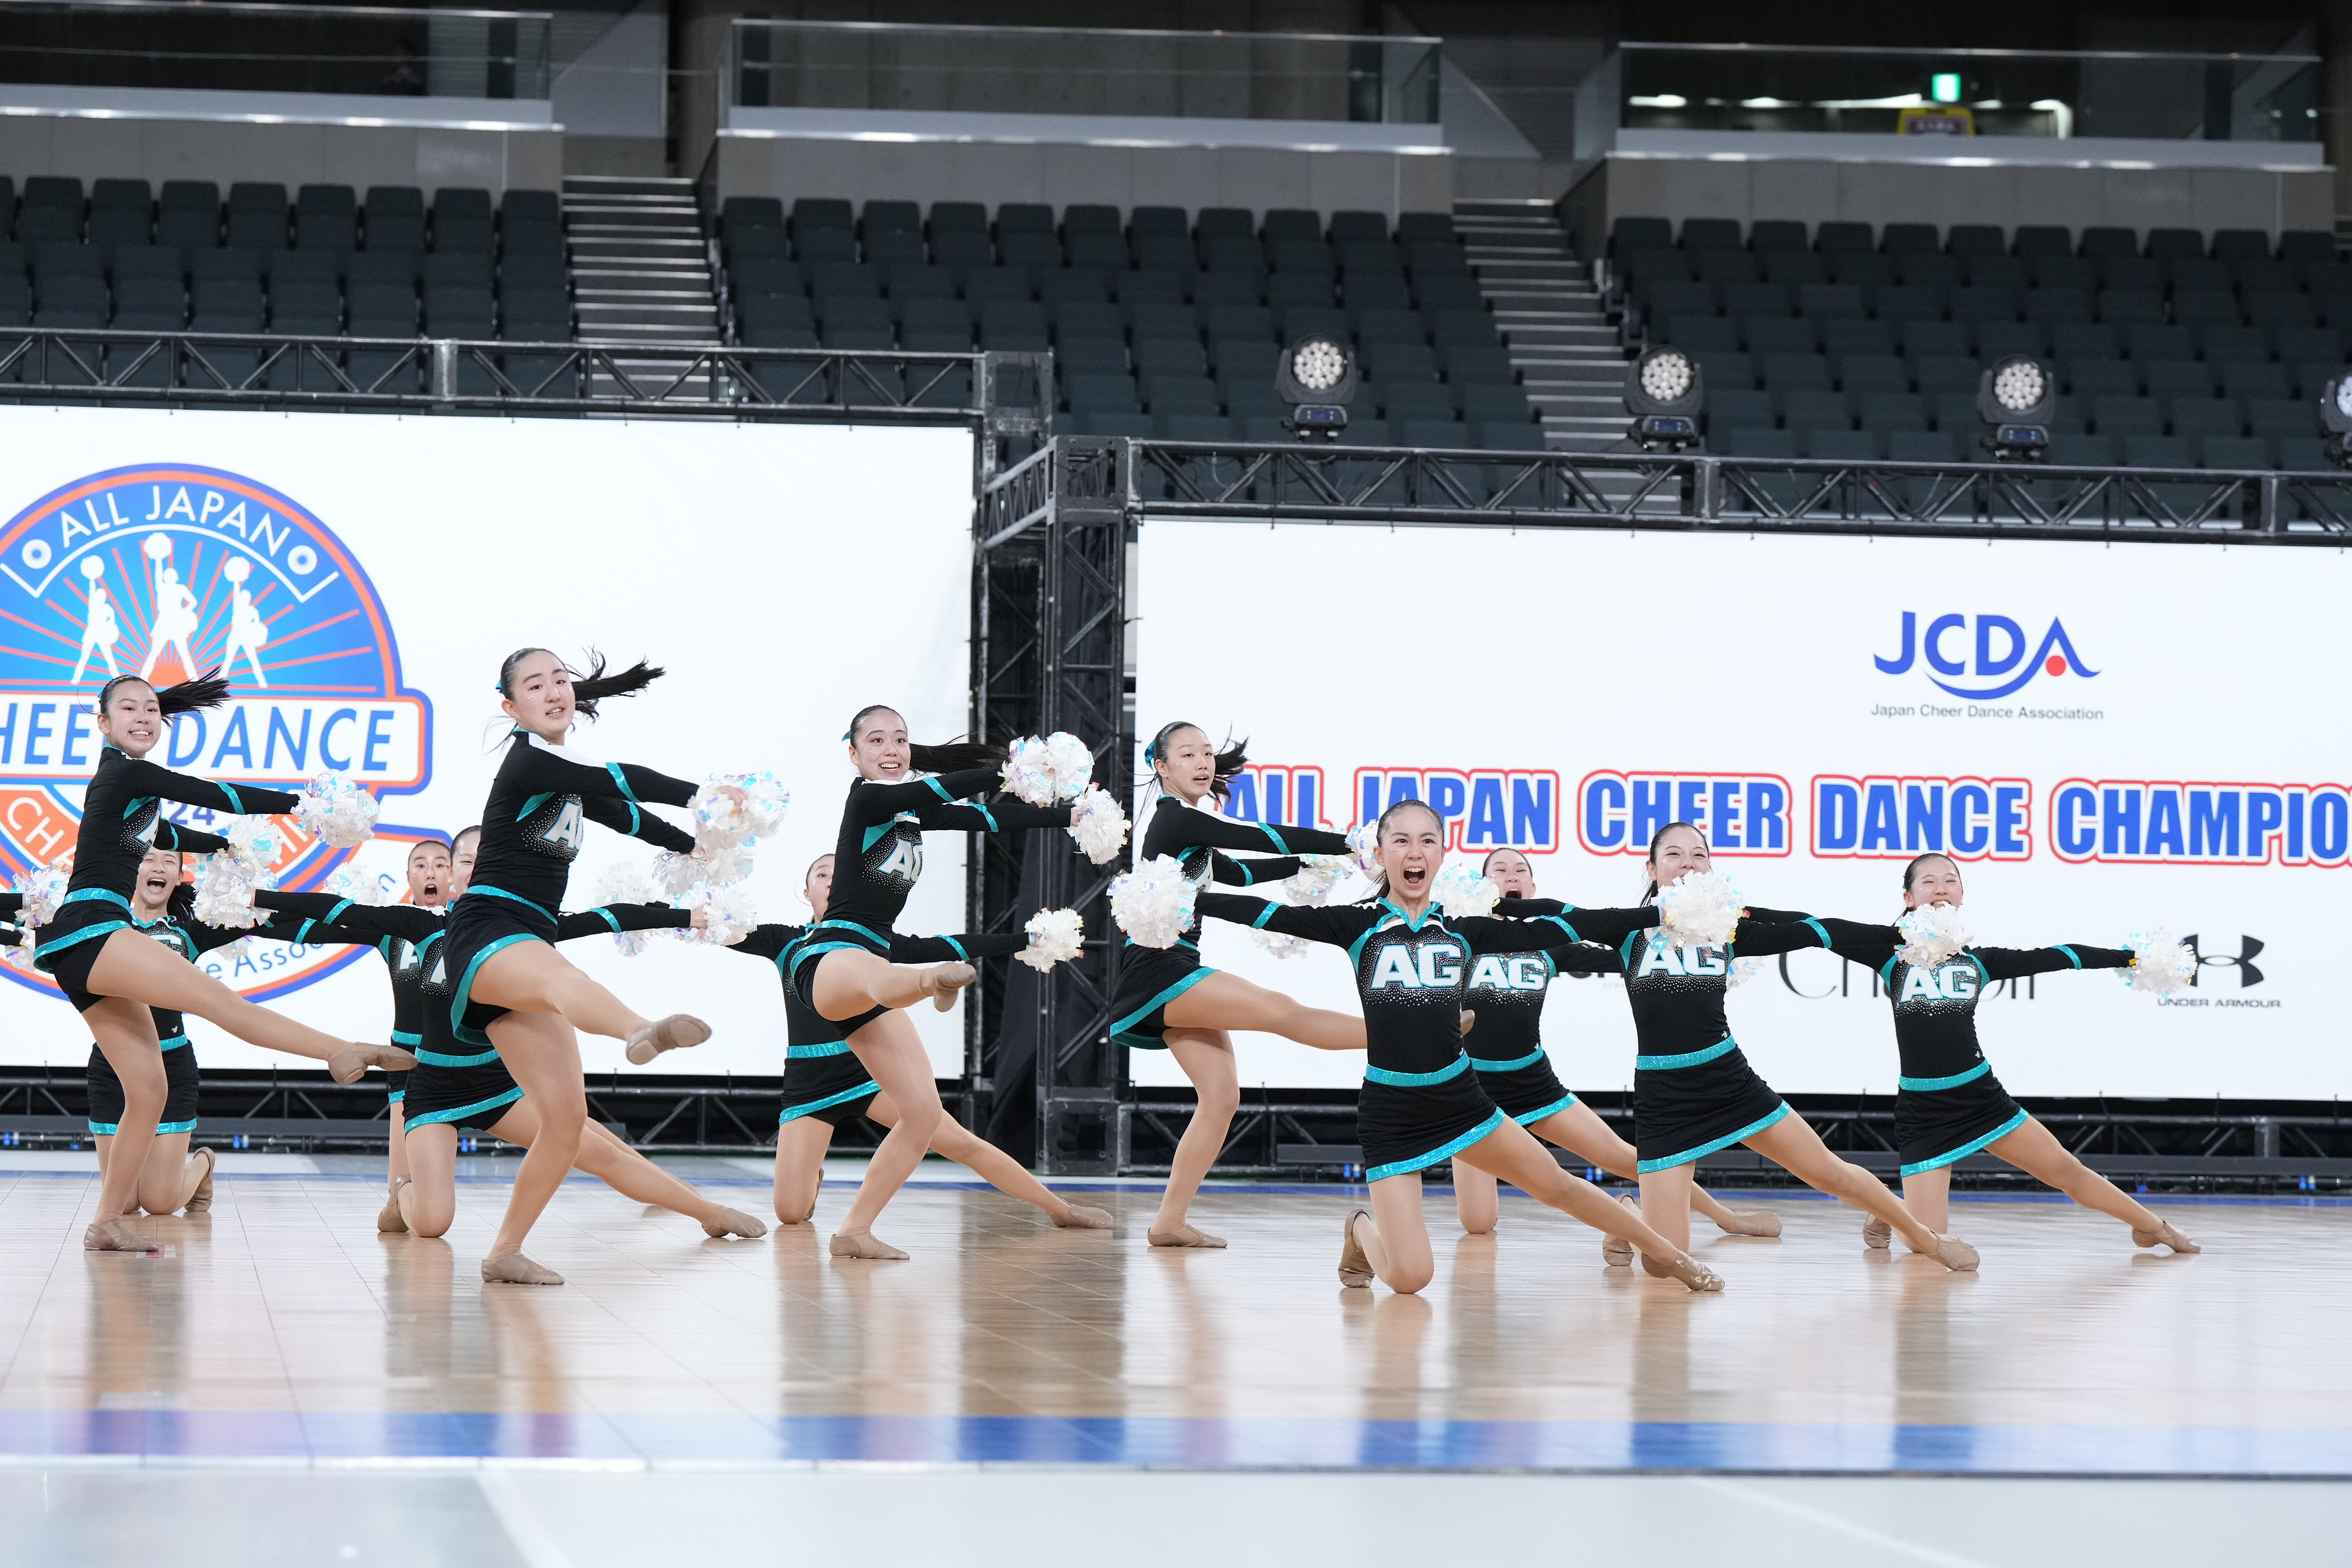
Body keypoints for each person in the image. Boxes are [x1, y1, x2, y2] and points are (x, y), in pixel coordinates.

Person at [1195, 799, 1725, 1295]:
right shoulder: (1356, 925)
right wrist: (1188, 898)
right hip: (1392, 1111)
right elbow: (1265, 914)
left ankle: (1671, 1255)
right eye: (1401, 840)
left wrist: (1663, 916)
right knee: (1411, 1278)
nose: (1415, 851)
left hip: (1461, 1099)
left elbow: (1577, 925)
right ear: (1381, 854)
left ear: (1442, 854)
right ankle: (1361, 1228)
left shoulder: (1463, 931)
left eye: (1428, 840)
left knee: (1557, 1185)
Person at [42, 673, 411, 1252]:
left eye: (152, 709)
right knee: (222, 1004)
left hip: (80, 946)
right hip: (94, 931)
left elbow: (172, 833)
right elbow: (215, 795)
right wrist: (301, 806)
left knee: (149, 1090)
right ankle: (337, 1050)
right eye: (129, 708)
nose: (144, 717)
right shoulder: (125, 773)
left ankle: (106, 1222)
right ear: (104, 723)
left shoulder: (127, 792)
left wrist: (227, 848)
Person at [1515, 822, 1980, 1273]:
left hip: (1730, 1081)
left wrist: (1898, 935)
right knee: (1662, 1262)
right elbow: (1563, 913)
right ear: (1652, 869)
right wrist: (1500, 906)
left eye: (1699, 854)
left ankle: (1925, 1237)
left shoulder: (1727, 931)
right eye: (1674, 854)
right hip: (1664, 1098)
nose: (1688, 862)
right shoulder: (1630, 932)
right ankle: (1631, 1213)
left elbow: (1817, 931)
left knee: (1828, 1171)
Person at [439, 648, 730, 1284]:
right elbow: (623, 779)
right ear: (512, 707)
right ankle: (638, 1028)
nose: (554, 692)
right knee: (563, 980)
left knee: (567, 1123)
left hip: (526, 938)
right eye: (535, 685)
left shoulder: (566, 779)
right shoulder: (528, 760)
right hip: (489, 928)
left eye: (560, 680)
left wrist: (694, 846)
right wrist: (702, 797)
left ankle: (504, 1252)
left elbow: (626, 813)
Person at [298, 887, 766, 1258]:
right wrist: (261, 901)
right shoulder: (421, 926)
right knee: (433, 1224)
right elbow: (335, 912)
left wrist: (685, 916)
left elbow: (606, 918)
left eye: (476, 863)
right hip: (434, 1092)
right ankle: (404, 1192)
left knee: (598, 1151)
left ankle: (709, 1212)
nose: (466, 873)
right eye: (461, 863)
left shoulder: (523, 930)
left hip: (496, 1088)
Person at [788, 705, 1083, 1260]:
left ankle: (855, 1231)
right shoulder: (867, 799)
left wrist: (1069, 817)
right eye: (877, 741)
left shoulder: (908, 814)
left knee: (923, 1116)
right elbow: (938, 790)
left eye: (900, 739)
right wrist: (1012, 770)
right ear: (854, 754)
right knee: (880, 974)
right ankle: (931, 983)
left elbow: (988, 820)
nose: (892, 749)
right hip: (831, 959)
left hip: (874, 966)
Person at [1823, 853, 2199, 1255]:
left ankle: (2153, 1227)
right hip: (1923, 1111)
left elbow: (2061, 956)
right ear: (1909, 897)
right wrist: (1766, 923)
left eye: (1950, 881)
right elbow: (1818, 929)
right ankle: (1888, 1206)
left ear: (1962, 895)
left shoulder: (1979, 962)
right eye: (1928, 882)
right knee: (1926, 1244)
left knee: (2066, 1171)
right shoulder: (1889, 956)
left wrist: (2131, 959)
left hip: (1981, 1099)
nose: (1940, 889)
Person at [745, 854, 1112, 1233]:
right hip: (809, 1084)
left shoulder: (873, 941)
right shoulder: (785, 941)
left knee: (959, 1143)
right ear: (807, 892)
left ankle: (1059, 1208)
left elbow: (952, 945)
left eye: (840, 874)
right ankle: (810, 1173)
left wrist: (1029, 939)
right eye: (822, 874)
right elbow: (728, 929)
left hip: (871, 1074)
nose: (831, 880)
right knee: (790, 1213)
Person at [5, 846, 376, 1219]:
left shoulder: (191, 929)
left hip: (172, 1065)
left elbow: (272, 920)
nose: (159, 867)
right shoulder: (97, 929)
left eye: (170, 862)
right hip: (114, 1067)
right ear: (130, 871)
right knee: (125, 1202)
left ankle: (202, 1165)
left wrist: (354, 918)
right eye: (149, 859)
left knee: (160, 1203)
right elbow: (22, 925)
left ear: (179, 877)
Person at [1109, 722, 1362, 1248]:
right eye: (1187, 754)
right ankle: (1404, 1031)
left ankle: (1169, 1223)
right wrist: (1351, 844)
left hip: (1170, 965)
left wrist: (1308, 862)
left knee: (1222, 1096)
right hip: (1160, 968)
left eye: (1207, 753)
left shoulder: (1188, 829)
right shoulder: (1175, 818)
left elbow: (1239, 873)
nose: (1203, 762)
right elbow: (1258, 836)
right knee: (1281, 1011)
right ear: (1162, 768)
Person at [1451, 847, 1780, 1251]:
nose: (1511, 876)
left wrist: (1691, 942)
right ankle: (1625, 1212)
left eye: (1520, 870)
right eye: (1500, 870)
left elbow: (1628, 957)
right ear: (1482, 886)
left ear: (1533, 888)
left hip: (1531, 1084)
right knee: (1478, 1222)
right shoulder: (1460, 941)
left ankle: (1725, 1217)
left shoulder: (1549, 947)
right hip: (1470, 1090)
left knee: (1629, 1159)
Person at [254, 836, 461, 1232]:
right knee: (401, 1202)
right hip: (407, 1062)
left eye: (440, 864)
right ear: (408, 877)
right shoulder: (392, 929)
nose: (430, 872)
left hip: (457, 1064)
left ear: (451, 875)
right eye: (420, 865)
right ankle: (405, 1199)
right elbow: (318, 929)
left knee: (429, 1198)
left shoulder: (468, 927)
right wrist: (253, 921)